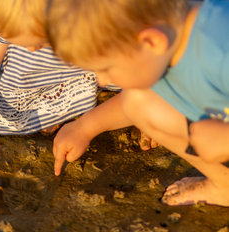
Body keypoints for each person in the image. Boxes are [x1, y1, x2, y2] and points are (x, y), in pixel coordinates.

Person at [46, 0, 229, 206]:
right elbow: (136, 102)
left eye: (106, 68)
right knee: (138, 101)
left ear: (151, 41)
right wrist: (84, 127)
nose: (102, 81)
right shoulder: (167, 39)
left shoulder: (220, 47)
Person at [0, 0, 107, 173]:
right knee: (15, 119)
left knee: (128, 77)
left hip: (85, 65)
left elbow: (140, 76)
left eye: (40, 43)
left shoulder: (94, 21)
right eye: (20, 41)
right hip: (32, 81)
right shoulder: (11, 19)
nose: (31, 50)